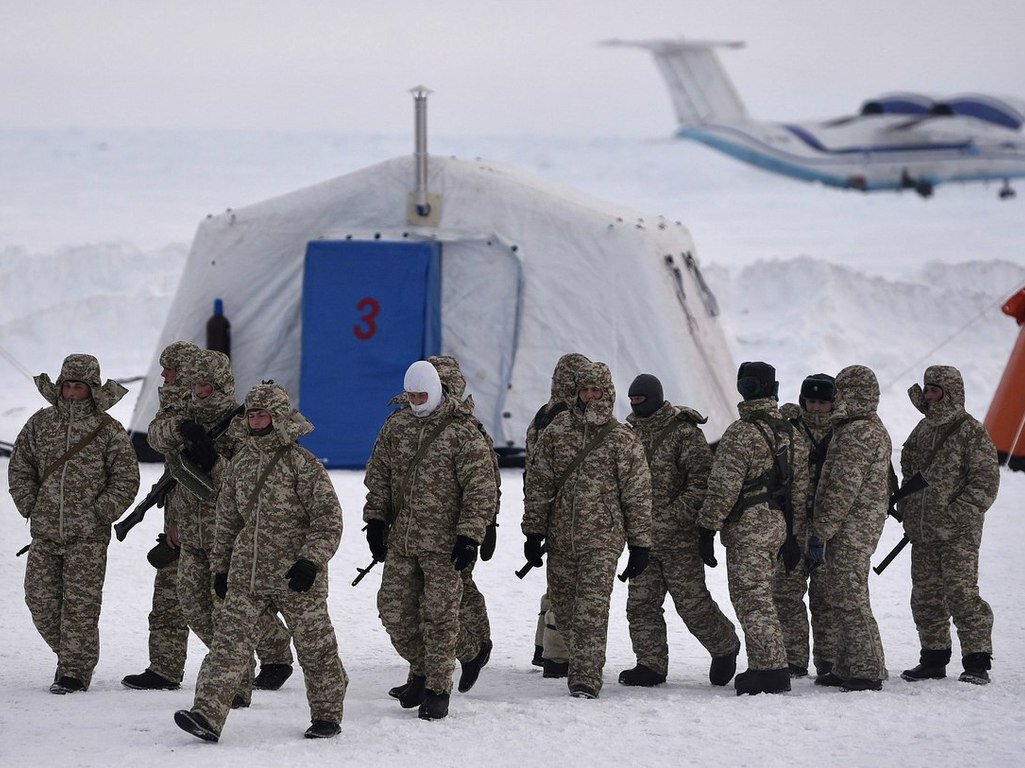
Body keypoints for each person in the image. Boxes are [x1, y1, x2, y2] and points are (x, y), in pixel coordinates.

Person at [174, 383, 347, 741]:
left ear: (279, 417)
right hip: (246, 576)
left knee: (316, 647)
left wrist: (311, 561)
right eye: (251, 414)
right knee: (227, 646)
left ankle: (327, 715)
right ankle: (206, 714)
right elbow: (227, 521)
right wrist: (221, 566)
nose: (255, 420)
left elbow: (328, 519)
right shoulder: (241, 463)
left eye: (262, 414)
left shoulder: (303, 464)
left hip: (295, 576)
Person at [154, 349, 293, 707]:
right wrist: (181, 429)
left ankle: (238, 680)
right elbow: (157, 437)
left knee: (228, 610)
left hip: (226, 531)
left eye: (207, 385)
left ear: (222, 384)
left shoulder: (241, 420)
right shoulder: (185, 411)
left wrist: (214, 461)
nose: (200, 391)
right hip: (189, 526)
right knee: (191, 604)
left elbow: (250, 475)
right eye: (196, 384)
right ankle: (241, 665)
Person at [364, 360, 498, 720]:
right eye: (411, 396)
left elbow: (480, 489)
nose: (416, 402)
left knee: (439, 617)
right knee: (393, 611)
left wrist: (471, 535)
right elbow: (379, 476)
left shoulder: (462, 433)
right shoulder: (397, 426)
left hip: (445, 544)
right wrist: (375, 520)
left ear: (437, 391)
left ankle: (437, 687)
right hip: (404, 541)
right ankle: (462, 654)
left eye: (423, 395)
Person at [8, 353, 140, 693]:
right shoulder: (40, 424)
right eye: (67, 385)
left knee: (81, 607)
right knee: (39, 599)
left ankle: (74, 672)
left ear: (92, 389)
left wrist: (100, 512)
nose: (71, 392)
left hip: (88, 538)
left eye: (78, 386)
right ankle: (72, 655)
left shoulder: (108, 431)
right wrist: (31, 506)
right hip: (45, 532)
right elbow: (20, 467)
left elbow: (126, 479)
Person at [522, 361, 652, 699]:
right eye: (585, 390)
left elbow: (637, 495)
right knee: (563, 609)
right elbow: (539, 484)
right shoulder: (556, 432)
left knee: (592, 610)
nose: (590, 396)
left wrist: (640, 543)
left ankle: (585, 677)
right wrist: (533, 532)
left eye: (596, 390)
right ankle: (580, 660)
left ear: (606, 392)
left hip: (603, 540)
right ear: (575, 392)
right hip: (561, 538)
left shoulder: (622, 438)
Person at [619, 374, 741, 688]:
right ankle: (650, 664)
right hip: (642, 540)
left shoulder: (684, 433)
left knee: (691, 603)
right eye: (632, 402)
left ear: (655, 398)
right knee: (641, 605)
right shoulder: (630, 435)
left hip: (679, 539)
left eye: (641, 401)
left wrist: (669, 517)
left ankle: (724, 645)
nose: (636, 406)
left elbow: (701, 484)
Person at [696, 361, 808, 696]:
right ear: (773, 388)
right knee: (763, 596)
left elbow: (723, 489)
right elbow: (799, 491)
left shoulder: (741, 433)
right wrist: (793, 534)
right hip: (778, 525)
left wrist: (706, 528)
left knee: (752, 598)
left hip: (749, 527)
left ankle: (770, 670)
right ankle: (769, 664)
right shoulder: (791, 432)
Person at [896, 366, 999, 685]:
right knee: (925, 596)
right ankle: (933, 658)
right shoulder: (922, 429)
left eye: (935, 391)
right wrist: (910, 511)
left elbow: (985, 481)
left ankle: (977, 660)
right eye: (927, 390)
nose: (929, 396)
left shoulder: (971, 431)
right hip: (924, 532)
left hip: (958, 533)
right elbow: (909, 469)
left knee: (962, 593)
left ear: (951, 392)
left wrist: (958, 514)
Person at [808, 365, 890, 691]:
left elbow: (843, 489)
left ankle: (867, 670)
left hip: (850, 529)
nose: (835, 397)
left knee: (851, 599)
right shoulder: (861, 427)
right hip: (855, 526)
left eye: (840, 391)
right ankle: (846, 665)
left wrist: (821, 530)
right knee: (841, 596)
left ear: (853, 393)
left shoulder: (858, 433)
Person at [122, 340, 199, 691]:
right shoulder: (173, 405)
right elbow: (156, 439)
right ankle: (165, 668)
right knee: (168, 595)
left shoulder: (210, 409)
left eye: (170, 370)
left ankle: (271, 657)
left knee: (224, 599)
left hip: (209, 520)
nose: (164, 375)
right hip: (177, 512)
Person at [524, 352, 591, 678]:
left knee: (556, 583)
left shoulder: (541, 416)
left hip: (543, 510)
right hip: (568, 511)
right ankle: (556, 655)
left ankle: (542, 647)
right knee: (571, 588)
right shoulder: (569, 420)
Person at [774, 373, 838, 678]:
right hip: (794, 524)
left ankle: (828, 659)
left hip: (828, 525)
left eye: (822, 402)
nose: (815, 408)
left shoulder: (843, 431)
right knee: (786, 594)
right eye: (810, 401)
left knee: (825, 596)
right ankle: (793, 659)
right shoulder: (790, 427)